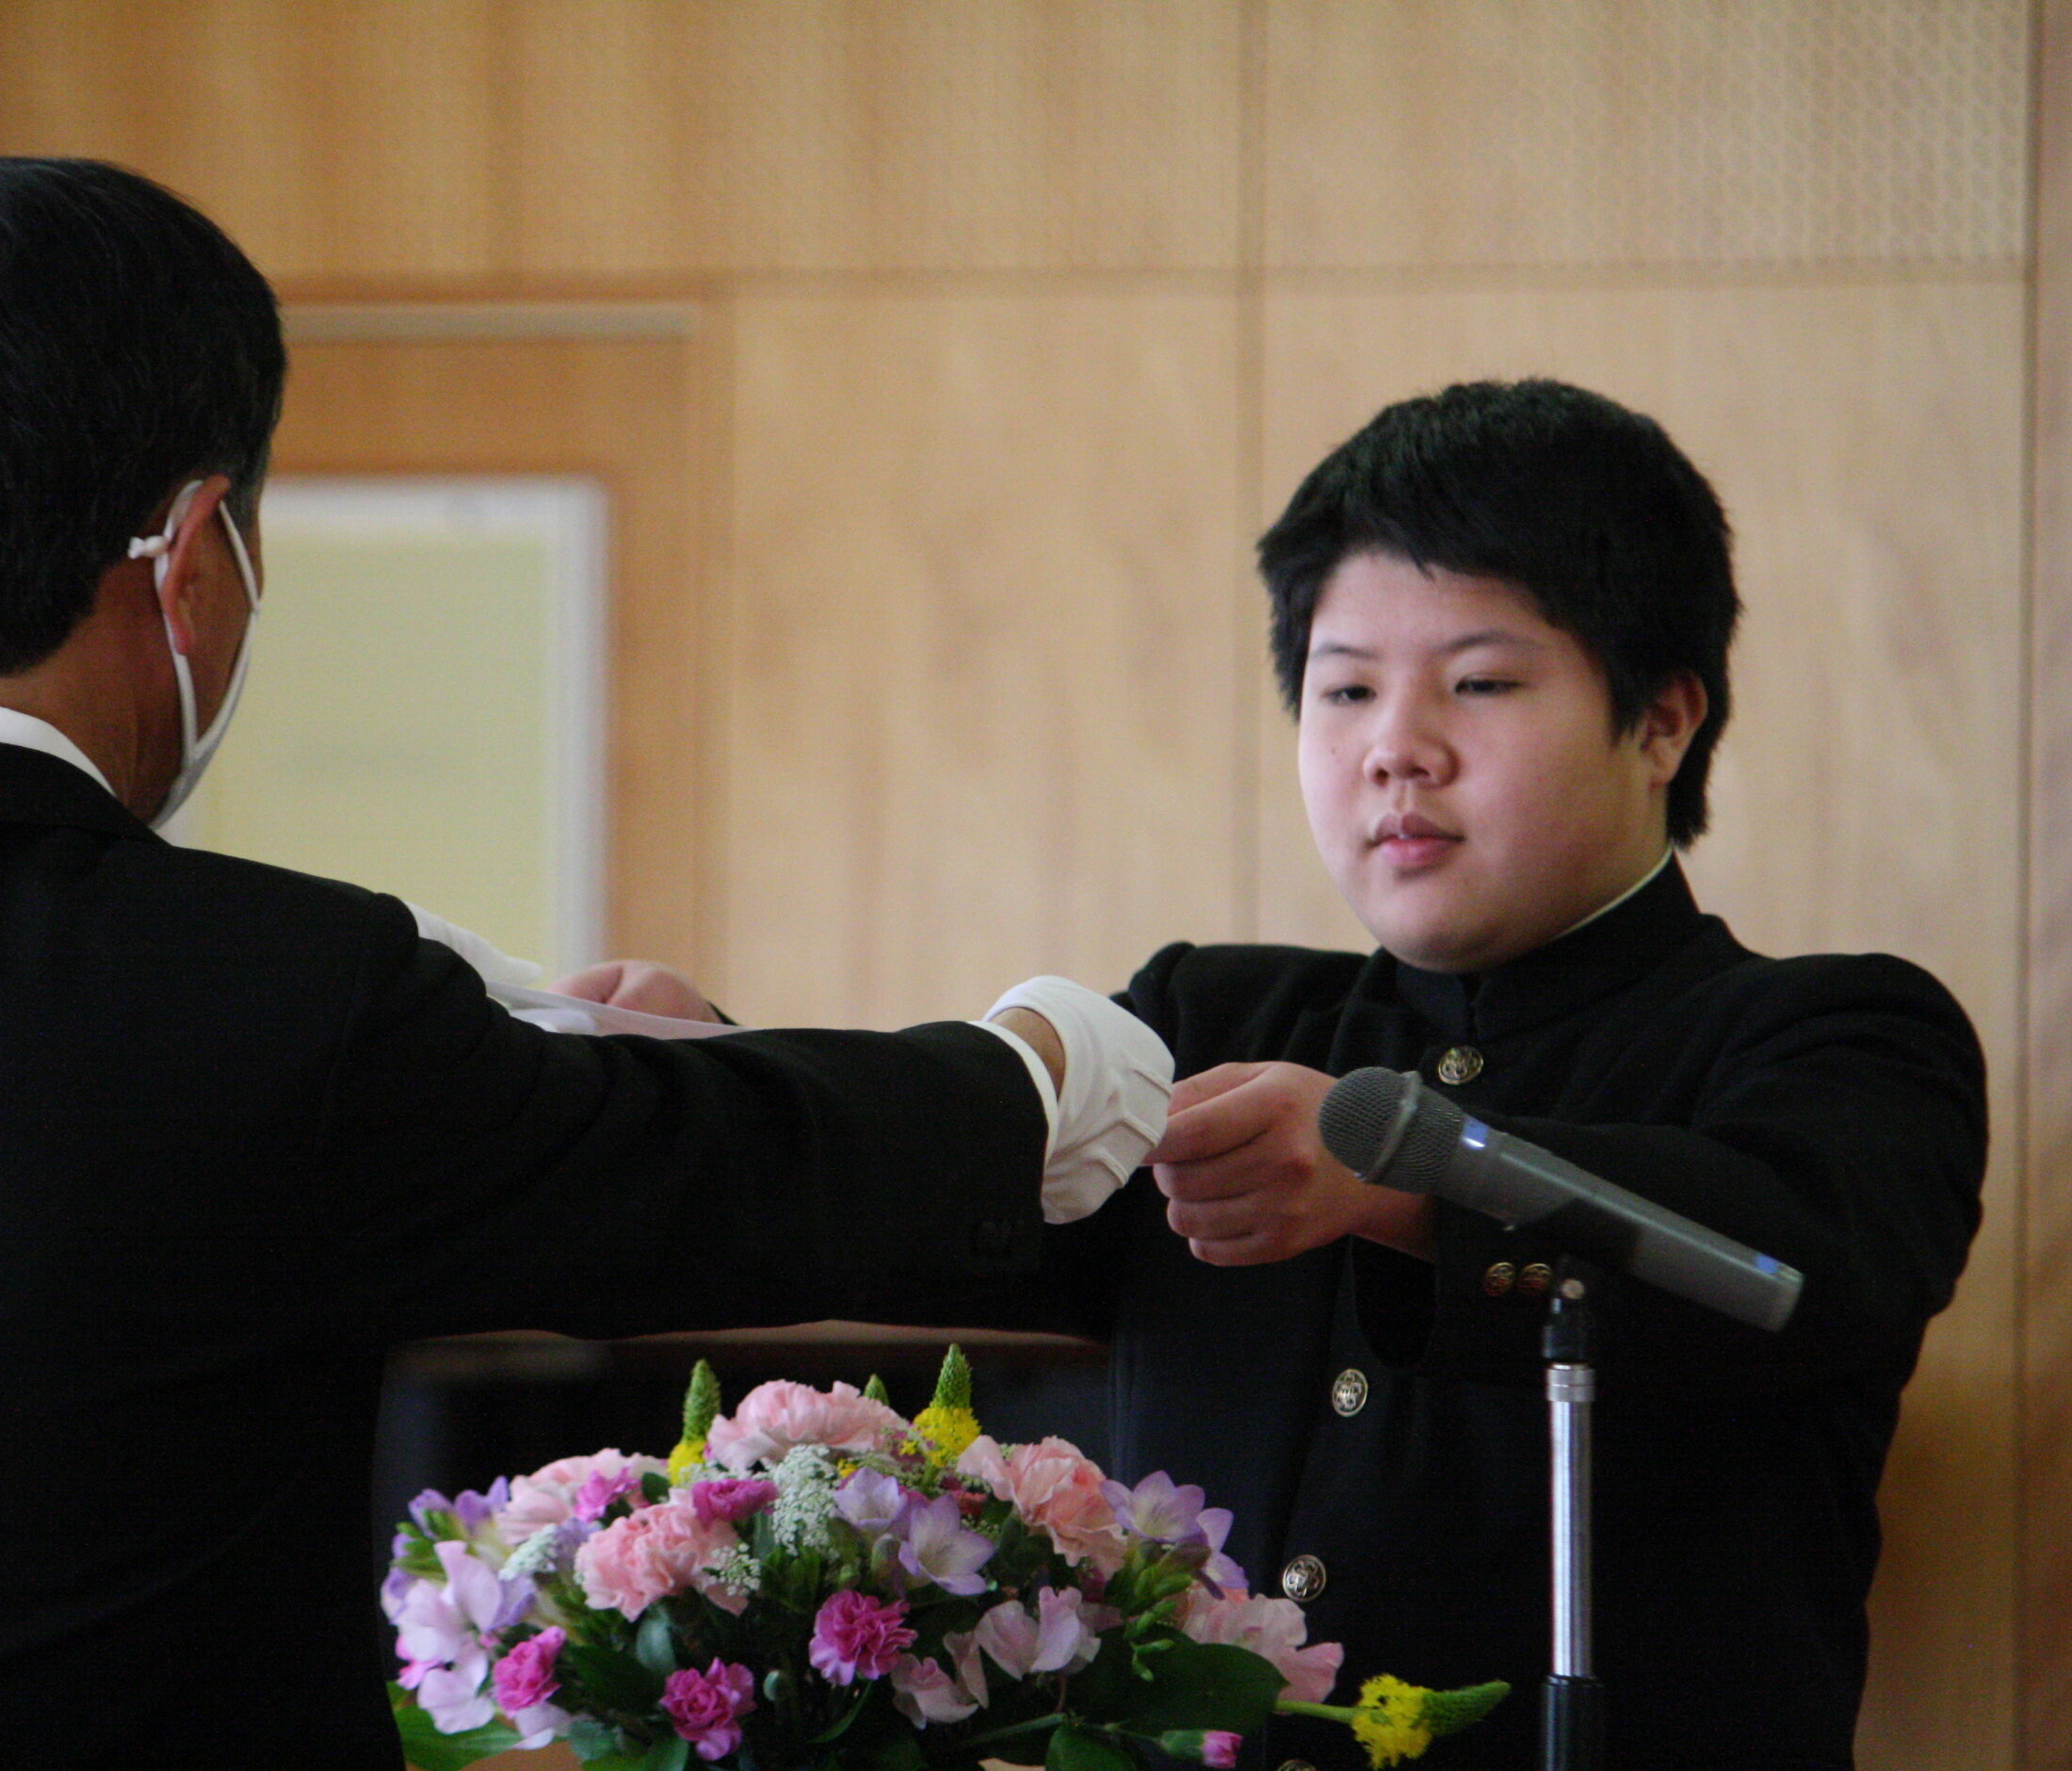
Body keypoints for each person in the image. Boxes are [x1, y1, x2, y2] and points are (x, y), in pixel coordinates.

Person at [0, 157, 1174, 1770]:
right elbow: (714, 1173)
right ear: (195, 554)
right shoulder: (275, 995)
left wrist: (528, 1041)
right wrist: (1049, 1057)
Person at [580, 381, 1985, 1769]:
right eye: (1346, 688)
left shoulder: (1843, 1034)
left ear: (1663, 720)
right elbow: (952, 1161)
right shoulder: (1215, 1014)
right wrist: (723, 1072)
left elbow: (1794, 1264)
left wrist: (1402, 1177)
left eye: (1481, 683)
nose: (1395, 750)